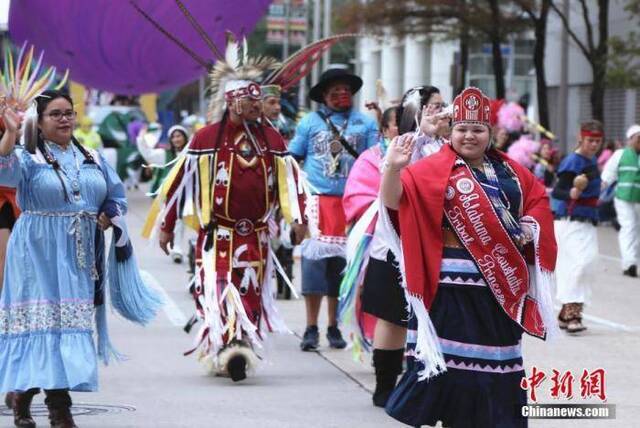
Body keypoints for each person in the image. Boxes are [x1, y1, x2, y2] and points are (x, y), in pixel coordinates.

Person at [379, 87, 557, 427]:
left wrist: (531, 228)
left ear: (491, 133)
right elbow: (394, 203)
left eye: (477, 129)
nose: (469, 136)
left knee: (497, 369)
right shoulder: (429, 169)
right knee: (452, 372)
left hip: (498, 291)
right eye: (461, 128)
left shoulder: (512, 174)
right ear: (450, 131)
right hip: (447, 290)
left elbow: (539, 205)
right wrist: (393, 167)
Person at [145, 42, 307, 382]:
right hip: (218, 233)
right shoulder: (206, 138)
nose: (256, 105)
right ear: (232, 102)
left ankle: (240, 342)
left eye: (258, 100)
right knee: (217, 290)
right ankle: (226, 343)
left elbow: (291, 183)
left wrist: (298, 219)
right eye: (250, 100)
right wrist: (166, 225)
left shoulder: (272, 140)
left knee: (249, 290)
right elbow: (178, 186)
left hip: (258, 235)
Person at [0, 91, 161, 428]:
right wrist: (12, 134)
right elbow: (4, 174)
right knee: (40, 323)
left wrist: (106, 215)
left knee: (66, 326)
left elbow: (116, 196)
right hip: (36, 252)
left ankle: (22, 393)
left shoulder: (92, 156)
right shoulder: (27, 157)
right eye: (55, 114)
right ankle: (58, 408)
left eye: (69, 113)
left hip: (78, 253)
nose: (64, 119)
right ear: (39, 123)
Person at [340, 85, 449, 407]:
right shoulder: (391, 150)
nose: (444, 112)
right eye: (436, 106)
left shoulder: (446, 148)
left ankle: (425, 381)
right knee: (393, 318)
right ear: (417, 112)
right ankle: (385, 385)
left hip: (436, 247)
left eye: (444, 105)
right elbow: (371, 196)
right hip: (394, 247)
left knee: (435, 317)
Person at [289, 67, 379, 352]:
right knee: (313, 269)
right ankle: (311, 327)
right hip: (316, 203)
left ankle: (334, 325)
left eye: (346, 90)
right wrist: (294, 205)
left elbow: (376, 159)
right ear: (324, 95)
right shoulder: (310, 123)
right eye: (335, 91)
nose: (342, 95)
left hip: (352, 206)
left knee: (342, 271)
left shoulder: (365, 124)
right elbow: (292, 158)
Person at [551, 120, 603, 332]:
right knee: (577, 265)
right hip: (569, 220)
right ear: (581, 138)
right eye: (590, 140)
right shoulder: (573, 162)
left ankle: (567, 313)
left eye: (598, 141)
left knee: (588, 265)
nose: (594, 145)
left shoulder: (593, 162)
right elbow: (557, 191)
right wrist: (570, 193)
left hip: (588, 220)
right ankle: (572, 315)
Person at [137, 124, 190, 263]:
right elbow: (148, 153)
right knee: (168, 220)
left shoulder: (191, 154)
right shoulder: (164, 154)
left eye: (179, 136)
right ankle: (172, 243)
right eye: (173, 137)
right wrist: (141, 137)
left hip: (186, 192)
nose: (176, 139)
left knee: (181, 219)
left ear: (185, 137)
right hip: (168, 194)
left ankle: (177, 248)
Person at [601, 124, 640, 277]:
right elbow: (607, 175)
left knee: (636, 230)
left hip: (638, 200)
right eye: (638, 138)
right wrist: (597, 191)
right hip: (623, 198)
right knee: (628, 227)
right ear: (630, 139)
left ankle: (632, 261)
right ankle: (629, 263)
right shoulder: (620, 154)